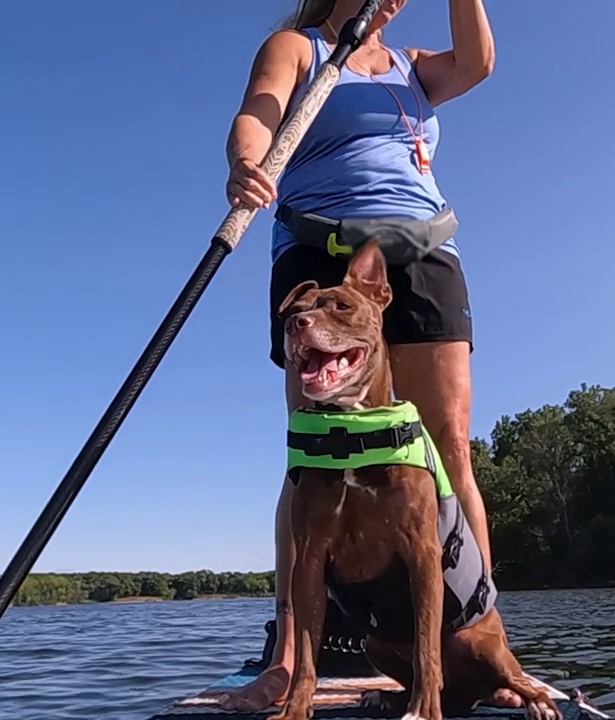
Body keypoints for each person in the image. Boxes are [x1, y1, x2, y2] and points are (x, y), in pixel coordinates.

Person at [216, 0, 500, 712]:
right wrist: (247, 161)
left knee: (450, 448)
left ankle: (485, 646)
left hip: (423, 250)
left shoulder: (412, 66)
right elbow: (258, 110)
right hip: (321, 250)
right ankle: (286, 661)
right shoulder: (301, 48)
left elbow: (478, 64)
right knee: (313, 454)